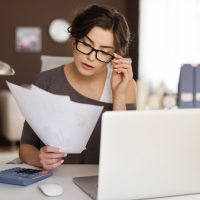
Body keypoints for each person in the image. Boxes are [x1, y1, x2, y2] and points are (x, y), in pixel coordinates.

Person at [19, 4, 137, 171]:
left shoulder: (126, 86)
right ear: (74, 39)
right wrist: (40, 159)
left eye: (104, 51)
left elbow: (127, 152)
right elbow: (26, 146)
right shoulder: (45, 82)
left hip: (103, 182)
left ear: (114, 56)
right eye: (86, 45)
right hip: (55, 181)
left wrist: (118, 95)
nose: (91, 58)